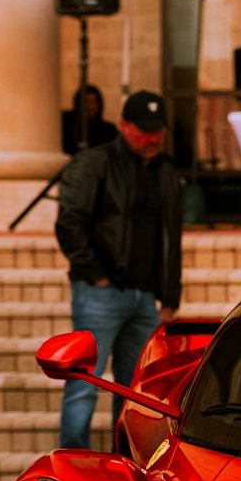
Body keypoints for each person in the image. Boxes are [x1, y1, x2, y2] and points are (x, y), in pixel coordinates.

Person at [55, 90, 182, 449]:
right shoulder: (95, 162)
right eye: (144, 130)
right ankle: (73, 469)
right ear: (124, 126)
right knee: (83, 386)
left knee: (134, 393)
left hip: (145, 299)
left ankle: (125, 469)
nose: (152, 137)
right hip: (100, 293)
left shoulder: (167, 172)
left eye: (158, 130)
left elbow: (171, 238)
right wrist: (97, 274)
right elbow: (69, 223)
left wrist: (170, 297)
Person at [61, 84, 118, 154]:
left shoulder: (108, 130)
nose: (91, 107)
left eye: (95, 102)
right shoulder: (67, 124)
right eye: (87, 102)